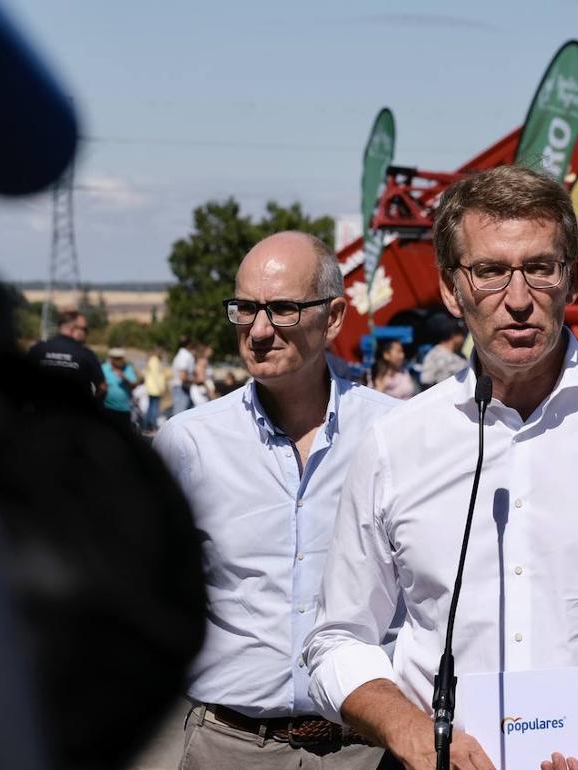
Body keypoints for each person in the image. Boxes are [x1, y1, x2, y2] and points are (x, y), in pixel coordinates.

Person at [305, 166, 578, 770]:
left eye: (539, 268)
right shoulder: (395, 444)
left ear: (569, 277)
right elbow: (337, 639)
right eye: (490, 271)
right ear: (450, 289)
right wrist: (409, 729)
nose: (517, 299)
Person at [154, 232, 399, 770]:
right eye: (245, 309)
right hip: (231, 744)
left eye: (283, 309)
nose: (259, 331)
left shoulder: (396, 434)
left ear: (334, 317)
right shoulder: (190, 443)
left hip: (365, 749)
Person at [26, 310, 105, 401]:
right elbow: (102, 387)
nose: (86, 333)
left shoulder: (37, 349)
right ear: (73, 329)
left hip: (41, 412)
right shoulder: (85, 354)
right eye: (85, 329)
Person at [418, 316, 468, 387]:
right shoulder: (434, 355)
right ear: (454, 335)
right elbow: (426, 381)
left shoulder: (460, 355)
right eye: (462, 335)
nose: (463, 339)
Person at [101, 347, 138, 419]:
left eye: (121, 358)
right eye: (117, 358)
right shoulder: (104, 368)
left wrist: (125, 378)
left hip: (124, 409)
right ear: (112, 358)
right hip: (107, 408)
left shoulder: (128, 368)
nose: (120, 360)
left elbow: (134, 386)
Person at [143, 346, 167, 431]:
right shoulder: (154, 361)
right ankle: (151, 426)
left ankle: (148, 426)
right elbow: (157, 376)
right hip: (155, 389)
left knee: (151, 407)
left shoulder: (153, 360)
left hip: (152, 388)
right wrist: (161, 388)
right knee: (154, 408)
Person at [170, 336, 195, 416]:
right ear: (189, 344)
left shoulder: (179, 355)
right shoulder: (186, 356)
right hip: (182, 388)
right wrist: (195, 380)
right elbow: (182, 376)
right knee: (180, 415)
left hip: (179, 387)